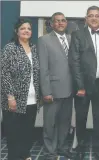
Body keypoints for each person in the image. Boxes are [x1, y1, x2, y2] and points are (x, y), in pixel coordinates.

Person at [69, 6, 99, 160]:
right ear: (86, 18)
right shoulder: (77, 34)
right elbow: (74, 61)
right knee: (80, 118)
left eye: (97, 15)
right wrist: (80, 86)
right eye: (91, 15)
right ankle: (80, 147)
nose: (94, 18)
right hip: (83, 86)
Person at [1, 18, 41, 160]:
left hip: (32, 98)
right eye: (23, 28)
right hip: (14, 100)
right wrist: (10, 97)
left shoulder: (34, 48)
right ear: (16, 31)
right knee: (13, 133)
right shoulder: (10, 48)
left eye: (29, 29)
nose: (26, 31)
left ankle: (25, 155)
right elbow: (4, 74)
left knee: (27, 132)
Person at [37, 12, 73, 160]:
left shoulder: (72, 39)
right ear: (52, 24)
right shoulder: (43, 40)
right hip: (52, 90)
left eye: (63, 20)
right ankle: (50, 151)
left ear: (66, 23)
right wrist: (46, 91)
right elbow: (43, 68)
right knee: (50, 123)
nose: (60, 23)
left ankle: (62, 147)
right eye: (57, 21)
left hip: (70, 89)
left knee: (65, 122)